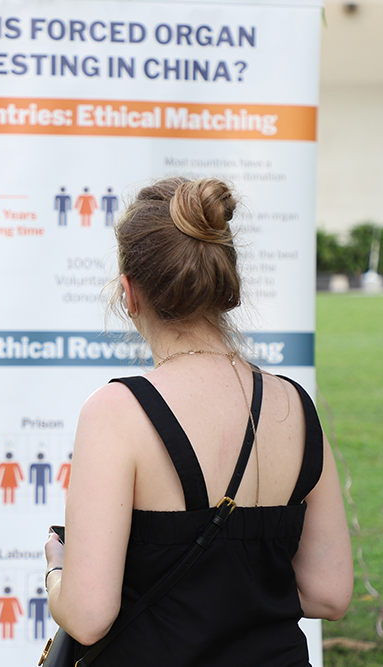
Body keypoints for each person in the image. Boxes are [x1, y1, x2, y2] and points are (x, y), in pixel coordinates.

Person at [44, 178, 353, 665]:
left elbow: (87, 615)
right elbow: (329, 594)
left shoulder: (117, 412)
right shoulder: (294, 405)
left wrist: (56, 572)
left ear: (129, 292)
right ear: (223, 284)